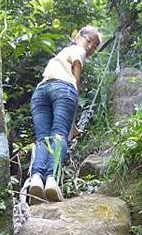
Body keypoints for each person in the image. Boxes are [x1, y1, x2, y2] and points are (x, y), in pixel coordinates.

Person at [28, 26, 101, 203]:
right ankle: (51, 180)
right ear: (78, 37)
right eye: (89, 41)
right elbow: (77, 62)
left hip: (41, 92)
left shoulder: (59, 56)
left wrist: (73, 127)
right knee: (59, 135)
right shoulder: (77, 49)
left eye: (95, 46)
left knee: (43, 138)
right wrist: (75, 85)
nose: (90, 47)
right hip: (64, 89)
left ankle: (36, 179)